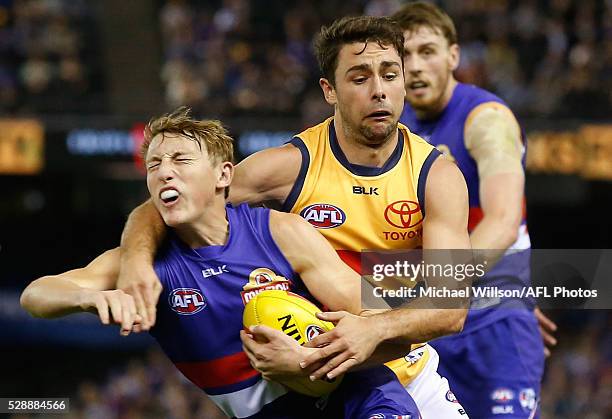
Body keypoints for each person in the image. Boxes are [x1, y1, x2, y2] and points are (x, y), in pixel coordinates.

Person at [118, 16, 471, 418]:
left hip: (406, 366)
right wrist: (134, 260)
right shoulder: (287, 168)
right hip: (311, 377)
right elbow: (169, 203)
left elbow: (451, 307)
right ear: (329, 90)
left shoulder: (437, 177)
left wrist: (373, 328)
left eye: (390, 75)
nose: (379, 91)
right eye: (359, 78)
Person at [20, 108, 420, 419]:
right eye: (154, 165)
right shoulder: (146, 265)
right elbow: (36, 295)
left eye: (180, 159)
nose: (164, 173)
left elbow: (382, 326)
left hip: (362, 398)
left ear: (223, 175)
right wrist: (89, 301)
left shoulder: (281, 232)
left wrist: (305, 362)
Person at [392, 3, 557, 418]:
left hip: (490, 324)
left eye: (427, 51)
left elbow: (502, 223)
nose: (414, 66)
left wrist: (433, 292)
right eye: (403, 55)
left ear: (453, 56)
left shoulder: (487, 119)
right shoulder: (393, 126)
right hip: (425, 329)